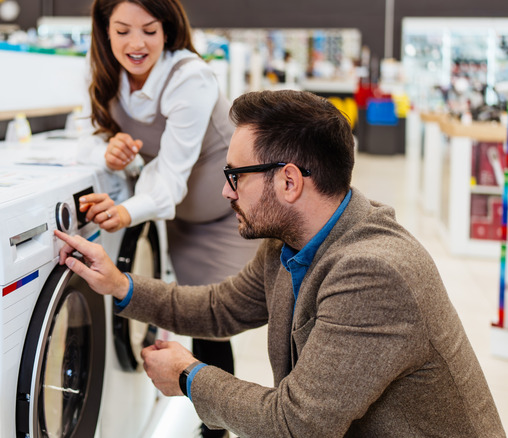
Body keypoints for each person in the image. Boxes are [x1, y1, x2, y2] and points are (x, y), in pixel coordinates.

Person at [54, 90, 506, 437]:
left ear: (289, 181)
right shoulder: (292, 241)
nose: (227, 192)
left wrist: (189, 378)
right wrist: (119, 284)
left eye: (235, 176)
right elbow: (220, 308)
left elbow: (297, 425)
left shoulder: (372, 273)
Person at [80, 5, 258, 433]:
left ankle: (218, 429)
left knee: (217, 324)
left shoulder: (188, 78)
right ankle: (212, 424)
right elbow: (91, 133)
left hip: (225, 217)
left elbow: (173, 175)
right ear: (105, 32)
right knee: (198, 319)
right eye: (122, 31)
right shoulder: (108, 76)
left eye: (149, 30)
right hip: (182, 221)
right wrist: (113, 152)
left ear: (169, 29)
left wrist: (125, 211)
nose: (135, 44)